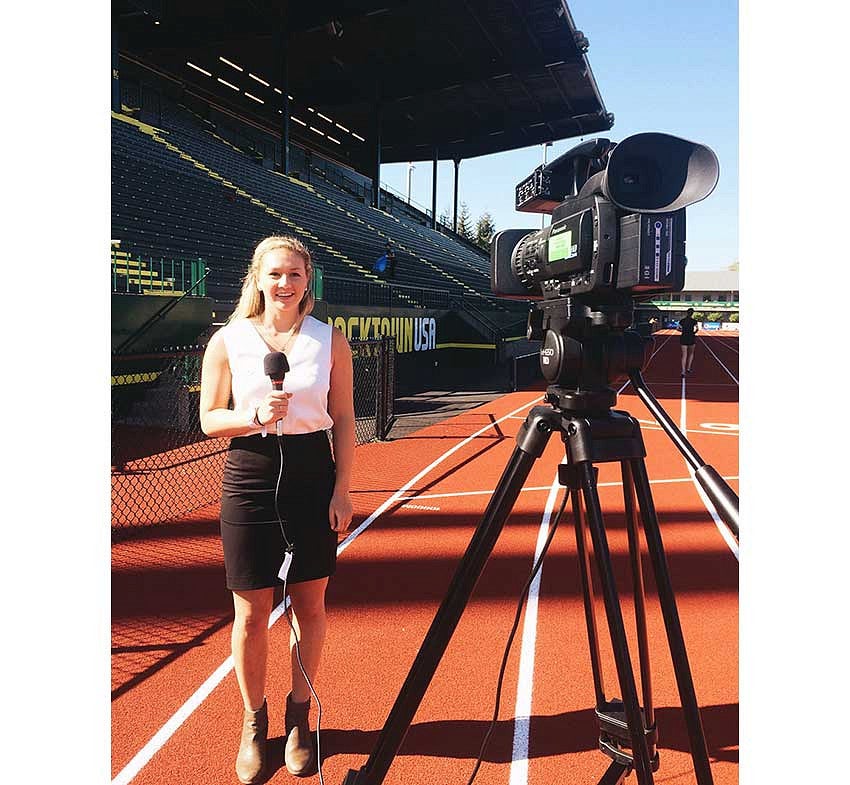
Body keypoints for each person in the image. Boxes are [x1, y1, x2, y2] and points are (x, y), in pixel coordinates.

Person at [200, 235, 355, 782]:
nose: (284, 284)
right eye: (275, 275)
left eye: (294, 274)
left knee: (310, 608)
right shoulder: (228, 341)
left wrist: (341, 490)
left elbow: (345, 419)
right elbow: (208, 419)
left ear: (307, 279)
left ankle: (299, 718)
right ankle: (252, 720)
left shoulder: (331, 341)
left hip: (313, 476)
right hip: (249, 473)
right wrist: (253, 414)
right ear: (258, 279)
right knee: (249, 614)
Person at [678, 308, 699, 376]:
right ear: (692, 313)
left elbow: (677, 329)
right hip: (691, 338)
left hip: (683, 337)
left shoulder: (682, 321)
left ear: (687, 313)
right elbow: (697, 329)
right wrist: (693, 333)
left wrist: (683, 331)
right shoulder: (694, 321)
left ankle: (683, 371)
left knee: (684, 355)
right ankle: (688, 368)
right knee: (691, 353)